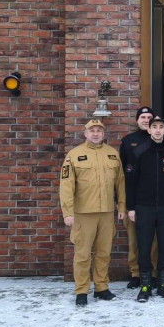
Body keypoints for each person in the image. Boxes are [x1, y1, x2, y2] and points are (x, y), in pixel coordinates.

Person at [60, 118, 125, 307]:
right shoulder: (74, 155)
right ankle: (81, 290)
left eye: (99, 131)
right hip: (83, 214)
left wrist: (121, 206)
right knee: (82, 254)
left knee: (104, 253)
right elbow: (66, 185)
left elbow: (120, 183)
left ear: (103, 134)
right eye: (92, 130)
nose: (96, 133)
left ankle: (101, 287)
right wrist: (68, 212)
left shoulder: (112, 154)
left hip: (106, 213)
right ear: (85, 133)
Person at [126, 115, 164, 302]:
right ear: (148, 130)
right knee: (144, 246)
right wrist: (131, 207)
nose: (158, 130)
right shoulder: (139, 152)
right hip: (144, 207)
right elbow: (131, 182)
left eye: (161, 127)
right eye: (154, 127)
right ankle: (145, 284)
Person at [119, 106, 154, 289]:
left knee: (154, 240)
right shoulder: (128, 142)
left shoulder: (160, 140)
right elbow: (122, 173)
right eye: (143, 117)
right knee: (134, 240)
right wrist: (123, 204)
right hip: (133, 199)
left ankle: (153, 272)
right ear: (137, 120)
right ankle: (135, 273)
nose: (146, 119)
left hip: (154, 200)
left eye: (149, 117)